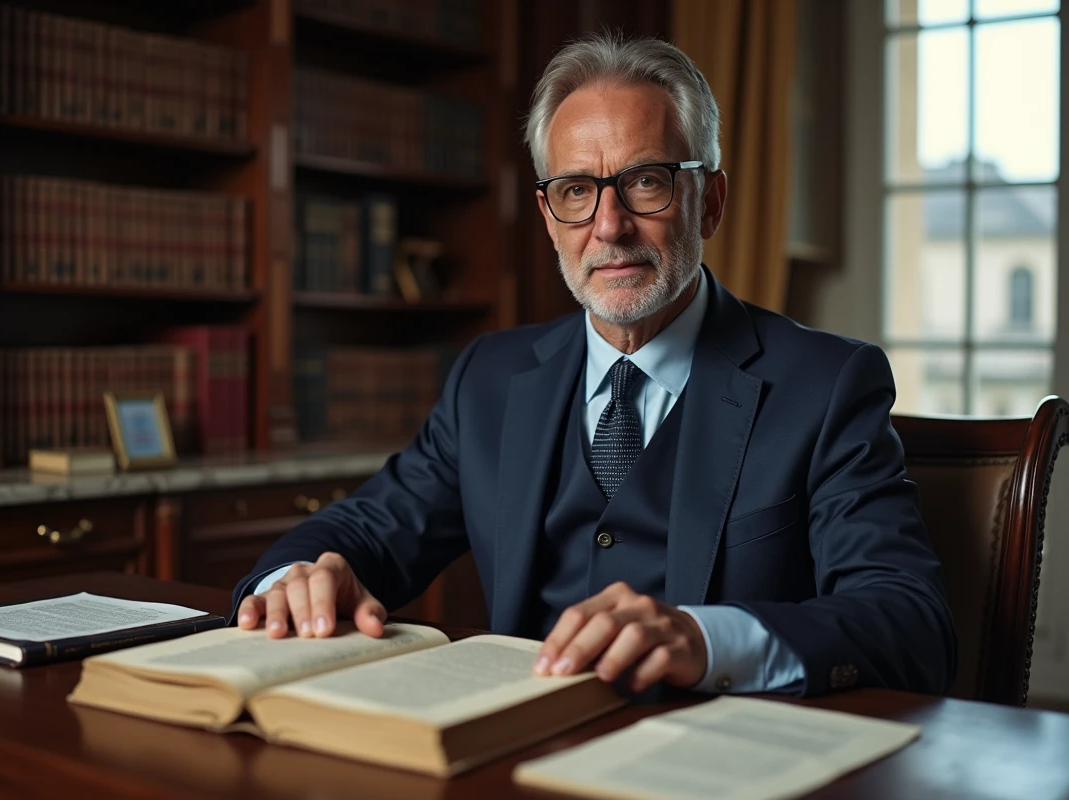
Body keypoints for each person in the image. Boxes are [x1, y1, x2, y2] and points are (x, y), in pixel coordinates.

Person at [234, 32, 956, 698]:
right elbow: (366, 529)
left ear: (711, 202)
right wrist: (297, 577)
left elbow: (909, 622)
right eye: (577, 191)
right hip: (512, 753)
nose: (609, 227)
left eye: (646, 182)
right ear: (550, 218)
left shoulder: (825, 385)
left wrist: (707, 640)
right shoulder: (489, 378)